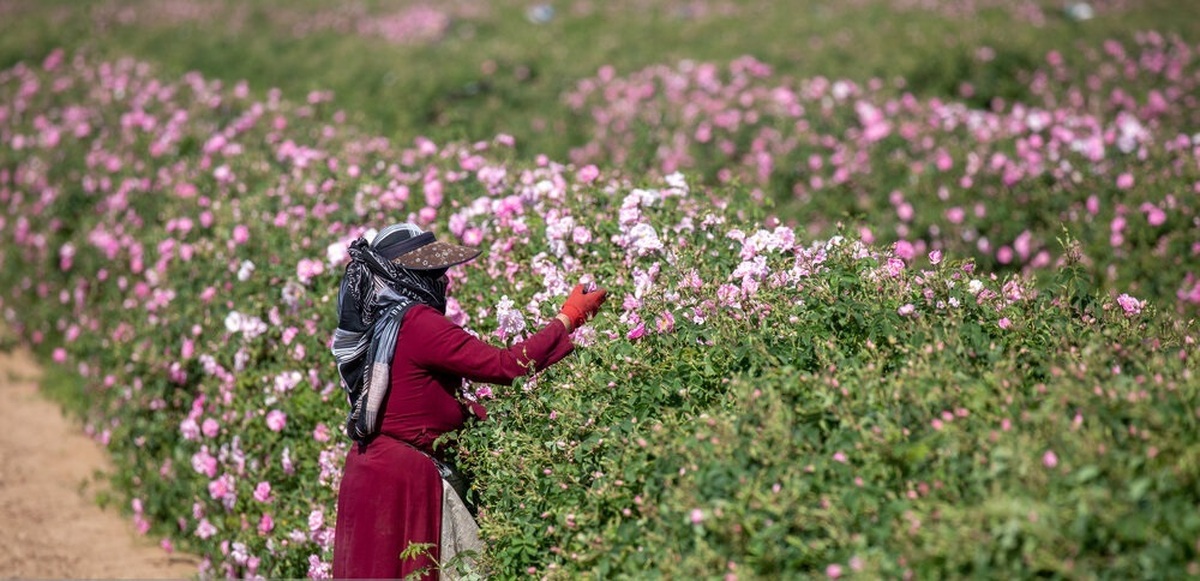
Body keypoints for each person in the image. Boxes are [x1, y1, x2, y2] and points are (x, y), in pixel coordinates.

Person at [330, 223, 606, 579]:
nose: (443, 280)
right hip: (403, 481)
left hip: (369, 474)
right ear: (406, 276)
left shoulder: (380, 323)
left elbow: (415, 396)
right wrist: (569, 318)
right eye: (433, 272)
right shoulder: (417, 322)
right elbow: (505, 365)